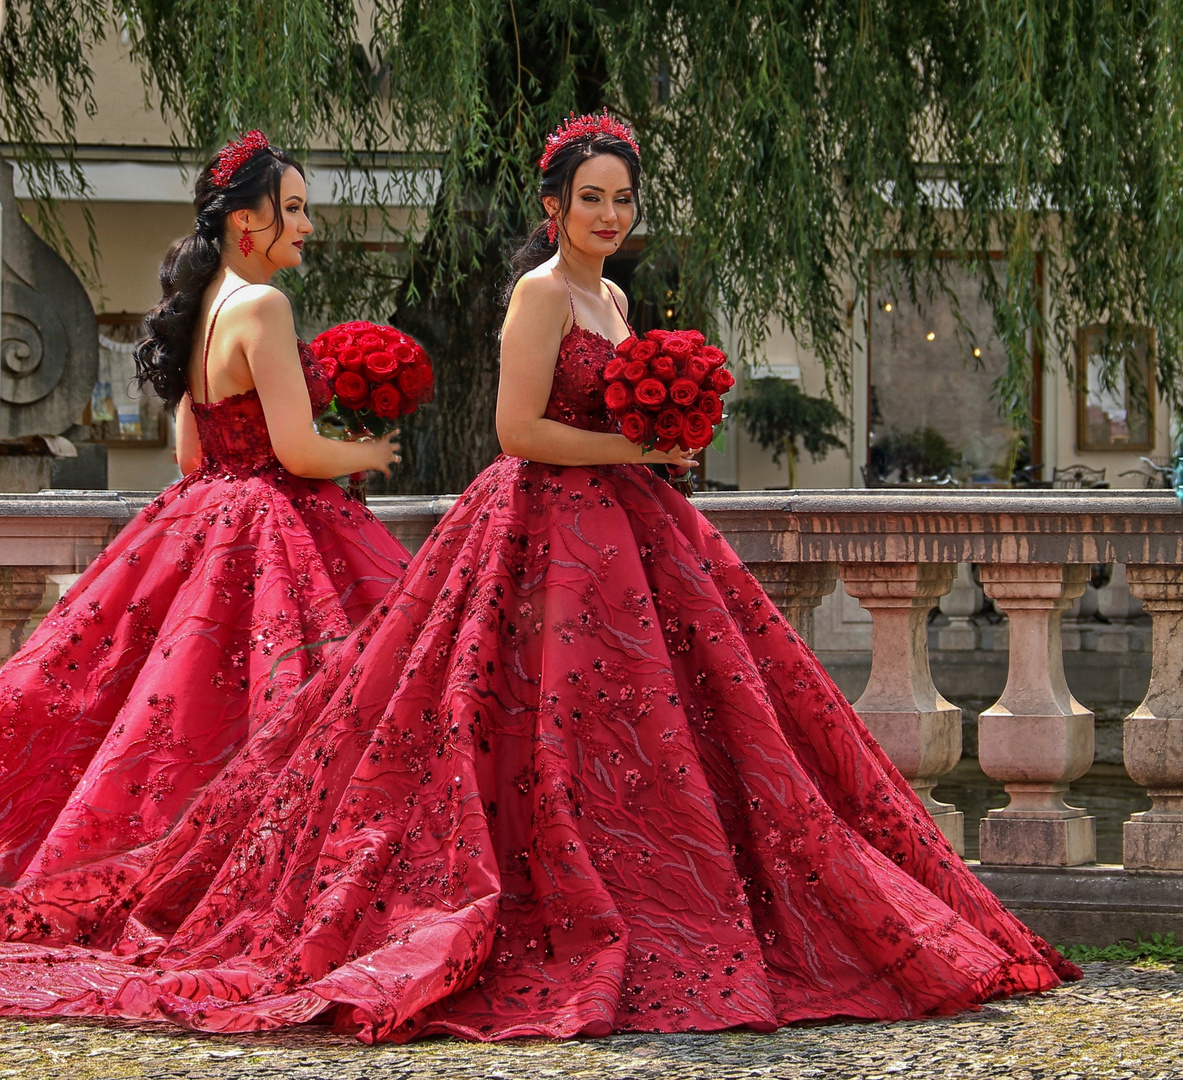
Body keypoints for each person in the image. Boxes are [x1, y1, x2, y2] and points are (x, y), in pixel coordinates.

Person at [0, 115, 1077, 1039]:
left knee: (679, 727)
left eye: (623, 199)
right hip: (542, 531)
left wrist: (666, 425)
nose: (610, 216)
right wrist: (640, 450)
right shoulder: (537, 295)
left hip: (638, 534)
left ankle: (676, 896)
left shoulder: (614, 304)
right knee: (535, 730)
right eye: (591, 199)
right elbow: (518, 431)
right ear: (553, 205)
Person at [0, 131, 407, 946]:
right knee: (312, 701)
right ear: (246, 222)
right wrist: (371, 452)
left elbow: (190, 454)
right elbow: (297, 451)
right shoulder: (262, 304)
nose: (306, 226)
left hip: (202, 516)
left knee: (171, 711)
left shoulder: (202, 306)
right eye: (292, 209)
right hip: (273, 523)